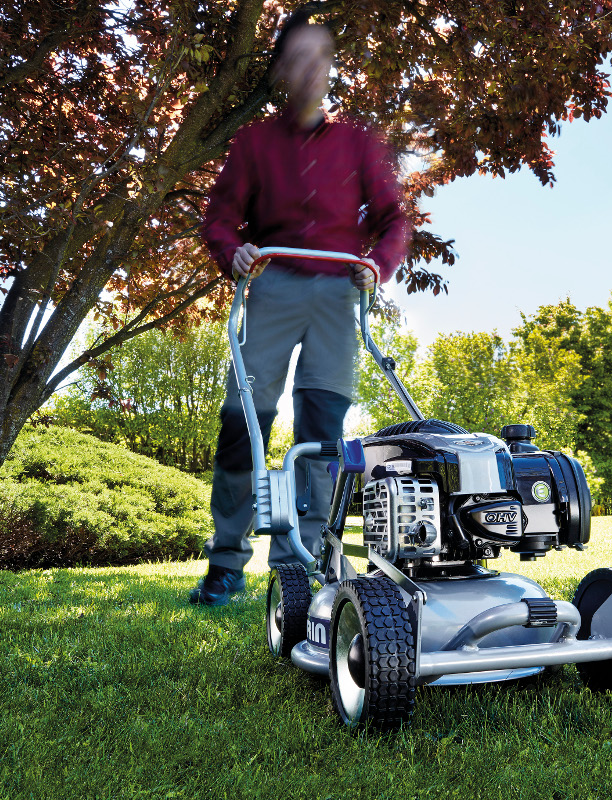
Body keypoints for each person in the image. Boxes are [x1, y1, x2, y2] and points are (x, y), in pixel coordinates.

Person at [190, 11, 408, 605]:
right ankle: (226, 561)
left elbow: (394, 220)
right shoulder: (254, 143)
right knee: (244, 424)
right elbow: (219, 218)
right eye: (299, 58)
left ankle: (302, 562)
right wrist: (233, 251)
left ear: (331, 66)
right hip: (273, 286)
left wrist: (377, 265)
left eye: (322, 57)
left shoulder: (358, 143)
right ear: (283, 69)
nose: (311, 69)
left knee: (322, 434)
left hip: (337, 295)